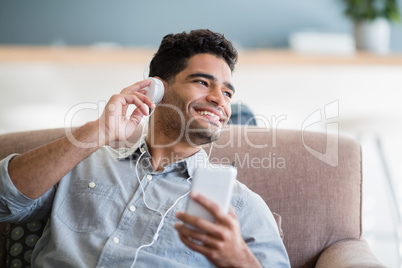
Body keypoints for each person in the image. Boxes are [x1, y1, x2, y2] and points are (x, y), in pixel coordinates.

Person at [0, 29, 290, 267]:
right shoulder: (83, 158)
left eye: (227, 92)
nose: (220, 100)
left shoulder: (240, 204)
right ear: (156, 89)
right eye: (203, 82)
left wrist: (238, 259)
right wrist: (99, 131)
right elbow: (5, 203)